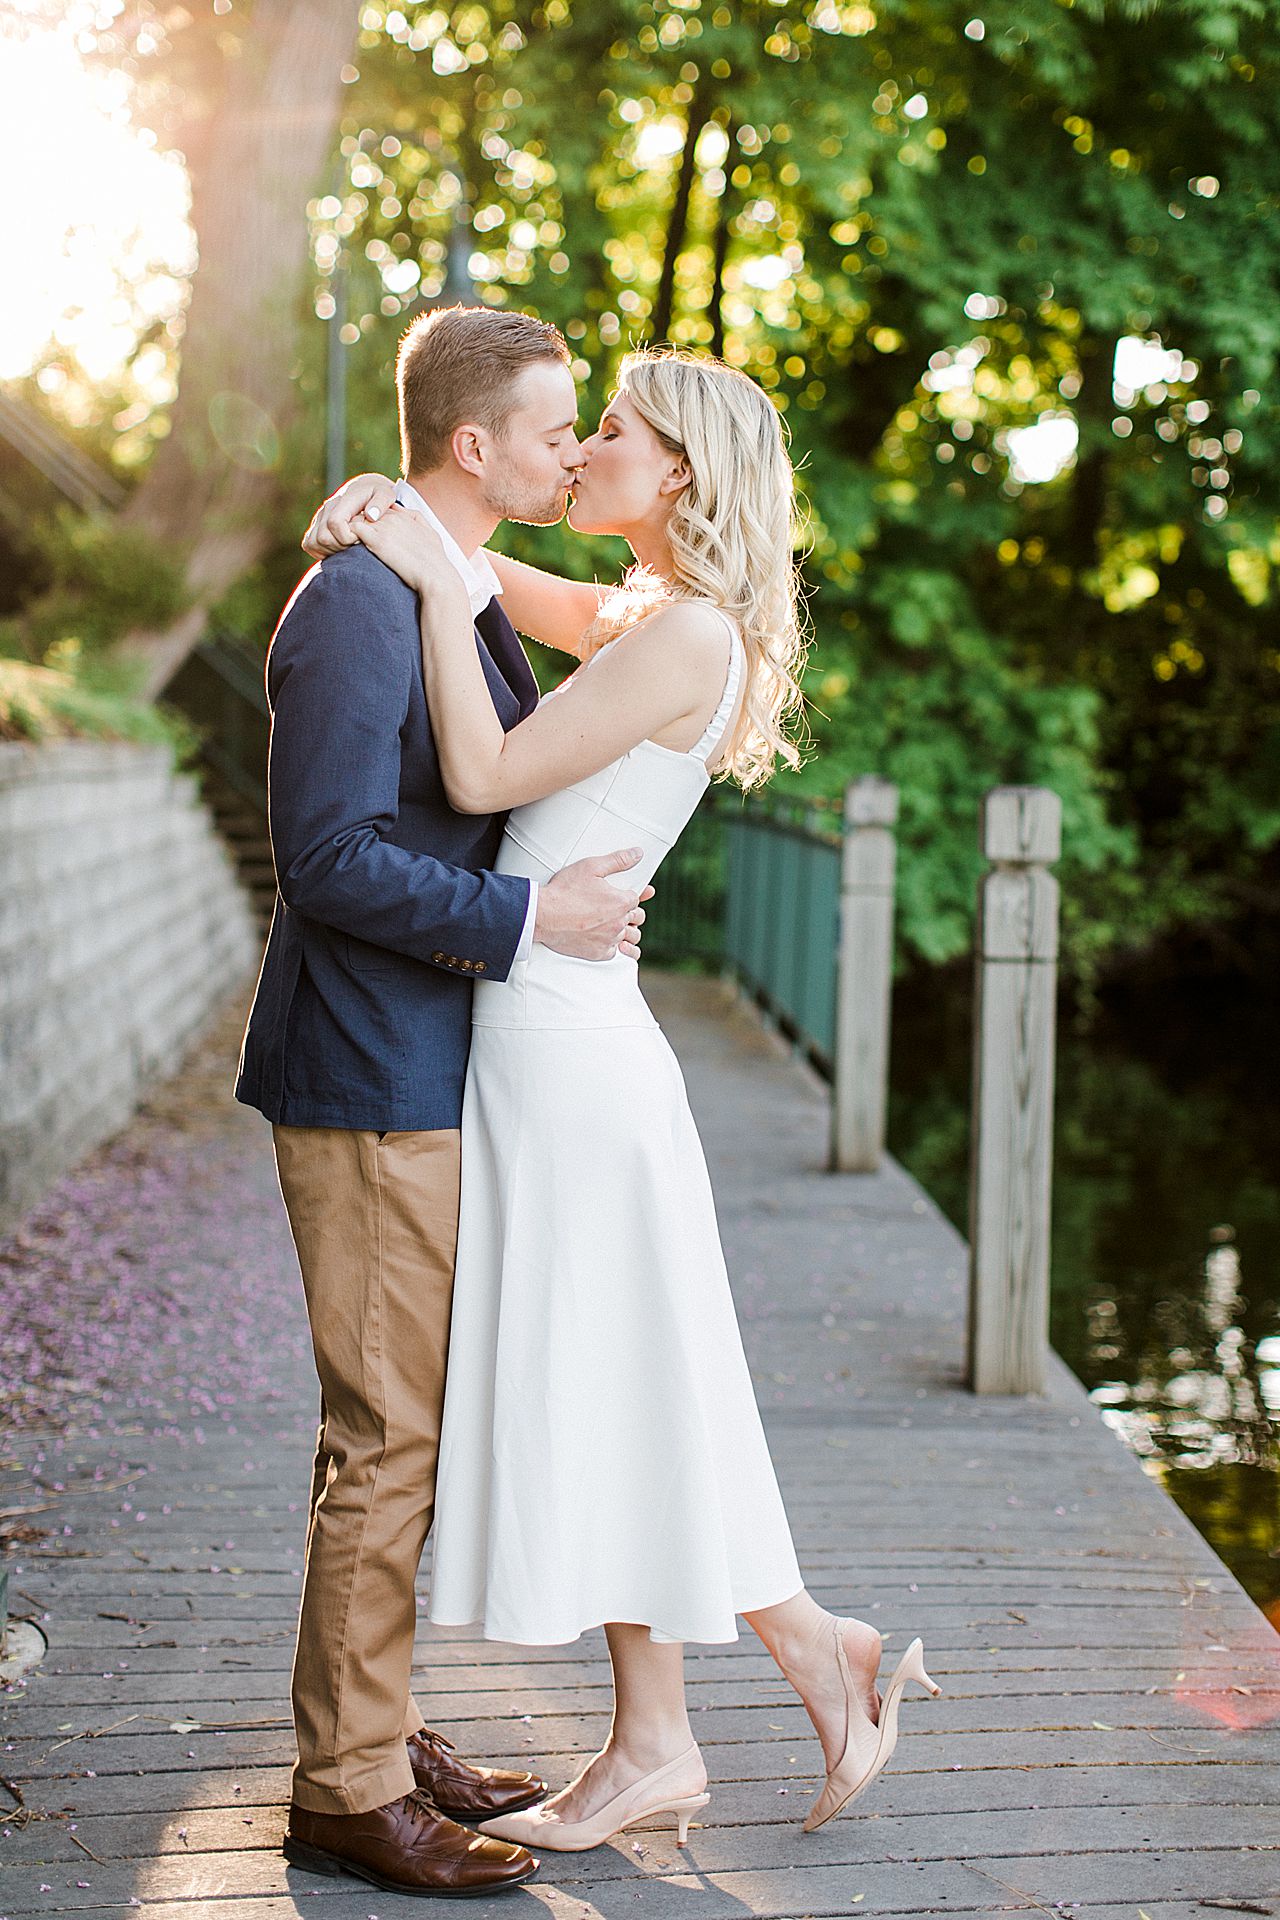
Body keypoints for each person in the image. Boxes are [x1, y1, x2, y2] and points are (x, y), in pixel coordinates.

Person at [303, 341, 940, 1855]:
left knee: (612, 1383)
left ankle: (747, 1685)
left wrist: (448, 591)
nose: (583, 449)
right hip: (545, 1033)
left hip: (568, 1048)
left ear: (681, 476)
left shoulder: (682, 639)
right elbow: (469, 555)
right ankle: (717, 1702)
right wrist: (394, 513)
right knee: (617, 1382)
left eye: (614, 432)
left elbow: (480, 766)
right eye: (582, 426)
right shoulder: (646, 614)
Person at [235, 304, 659, 1899]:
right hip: (364, 1075)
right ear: (473, 443)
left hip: (425, 1068)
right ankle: (343, 1790)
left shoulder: (441, 579)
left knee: (397, 1427)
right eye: (556, 427)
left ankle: (376, 1725)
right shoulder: (355, 602)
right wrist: (525, 923)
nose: (573, 449)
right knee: (386, 1435)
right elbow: (327, 856)